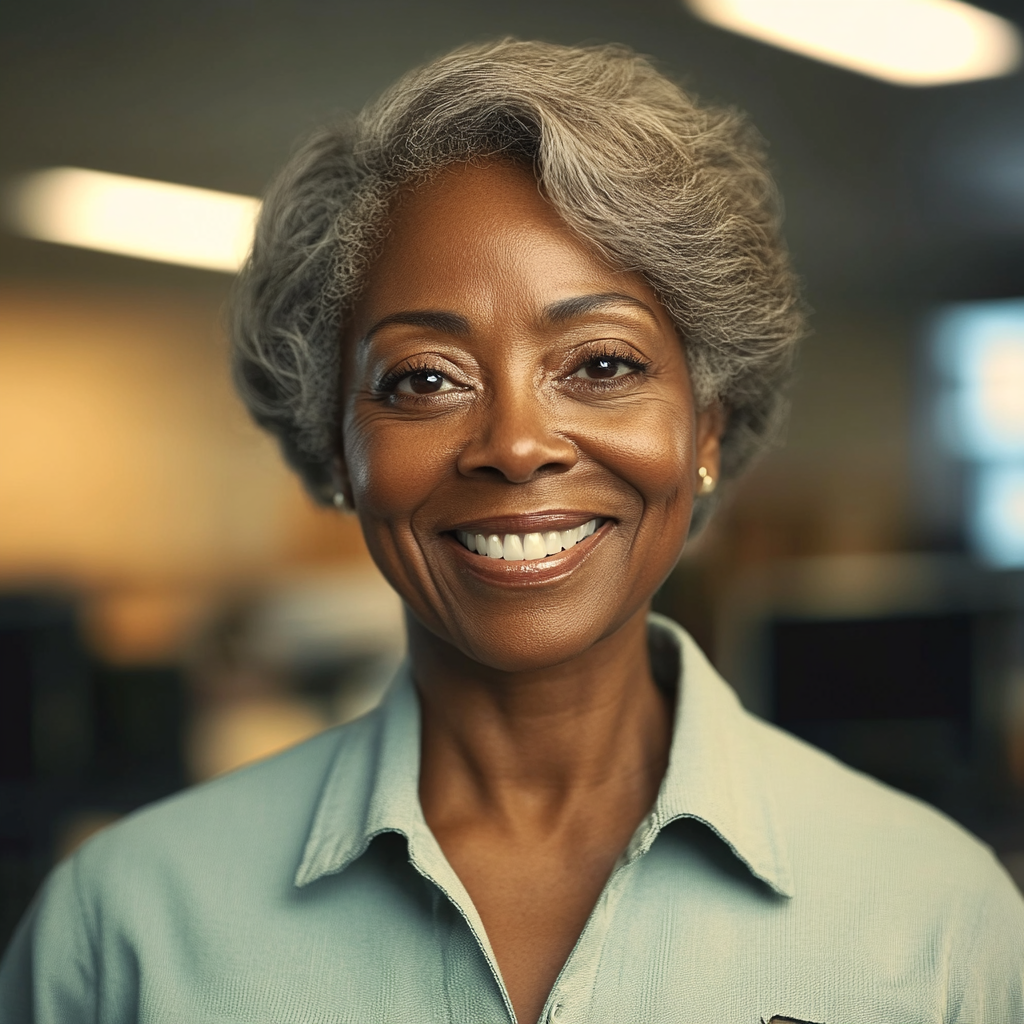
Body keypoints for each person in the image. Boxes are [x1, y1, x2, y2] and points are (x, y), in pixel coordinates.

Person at [2, 38, 1022, 1024]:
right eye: (425, 378)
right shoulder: (121, 930)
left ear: (706, 425)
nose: (517, 444)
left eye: (603, 363)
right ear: (336, 445)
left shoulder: (937, 921)